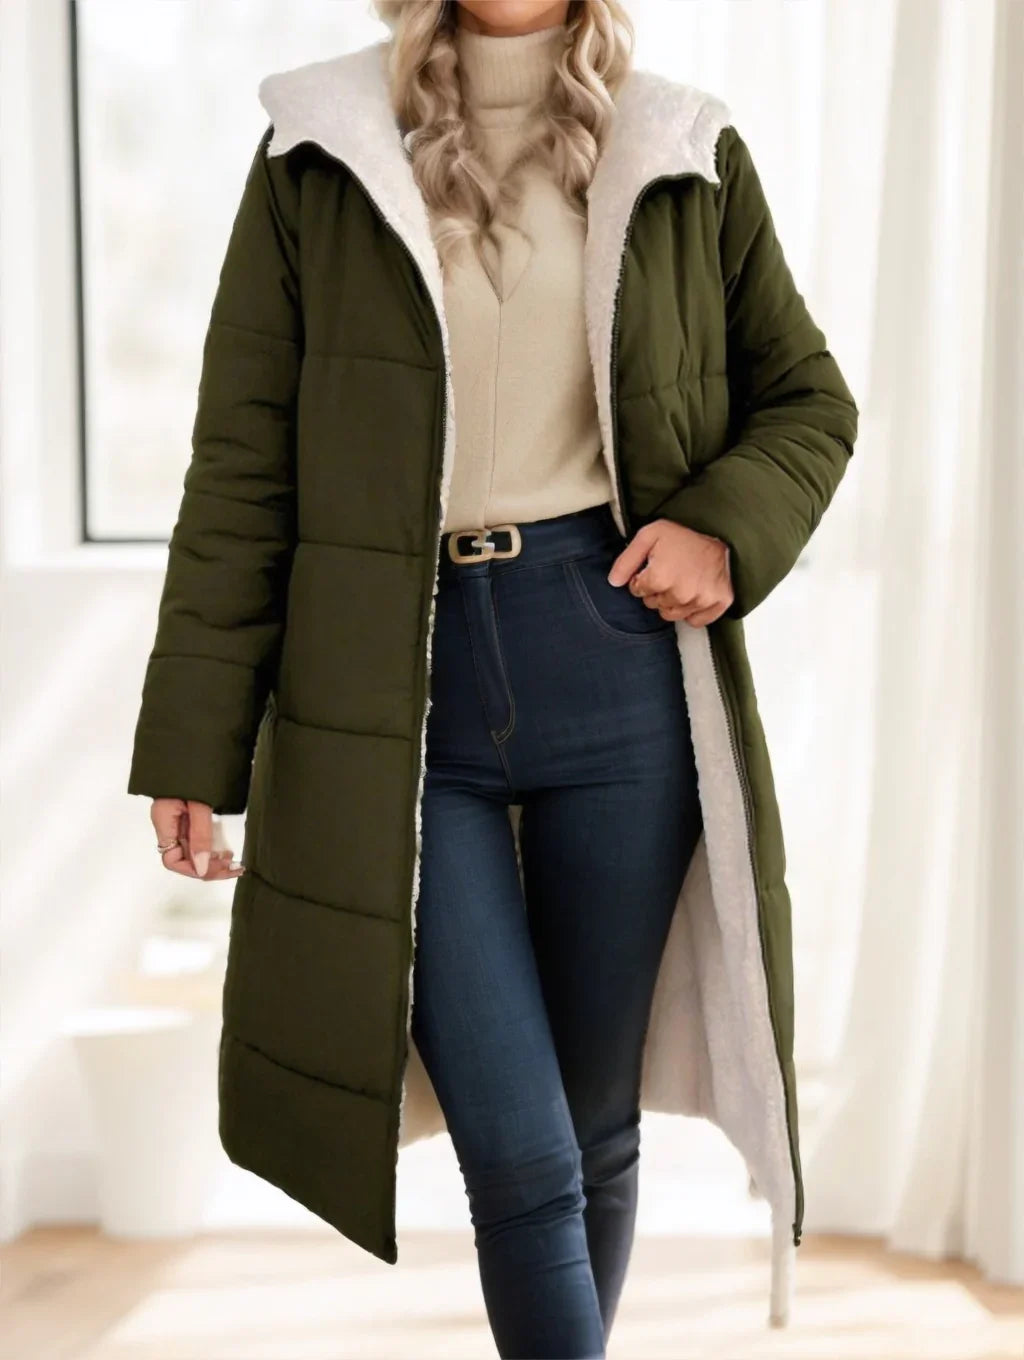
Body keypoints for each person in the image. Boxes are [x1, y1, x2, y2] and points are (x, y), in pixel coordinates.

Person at [127, 1, 859, 1355]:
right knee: (520, 1155)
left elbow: (808, 400)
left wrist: (721, 528)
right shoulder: (321, 149)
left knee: (592, 1128)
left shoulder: (680, 147)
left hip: (612, 658)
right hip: (389, 691)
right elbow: (241, 464)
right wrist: (191, 741)